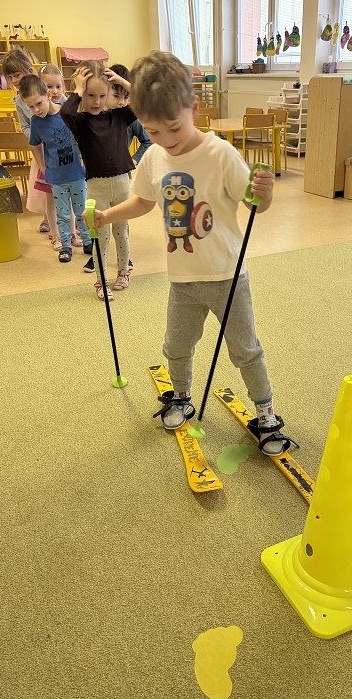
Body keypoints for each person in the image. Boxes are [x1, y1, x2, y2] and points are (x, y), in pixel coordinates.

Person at [87, 51, 297, 456]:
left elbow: (253, 203)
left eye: (173, 128)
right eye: (151, 131)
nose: (165, 140)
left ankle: (266, 412)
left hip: (227, 277)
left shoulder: (220, 155)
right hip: (182, 279)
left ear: (193, 107)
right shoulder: (152, 157)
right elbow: (143, 202)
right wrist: (107, 215)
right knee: (176, 345)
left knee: (244, 348)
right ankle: (181, 396)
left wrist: (264, 196)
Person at [60, 61, 136, 299]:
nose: (95, 101)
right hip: (97, 187)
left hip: (122, 183)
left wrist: (122, 82)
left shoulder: (119, 116)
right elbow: (65, 112)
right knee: (100, 236)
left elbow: (143, 101)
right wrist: (78, 90)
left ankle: (124, 270)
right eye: (90, 95)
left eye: (102, 95)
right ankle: (101, 280)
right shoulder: (80, 122)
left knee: (121, 232)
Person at [20, 74, 92, 263]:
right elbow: (35, 145)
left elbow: (83, 136)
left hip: (77, 173)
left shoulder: (67, 113)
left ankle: (87, 241)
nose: (36, 110)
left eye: (38, 103)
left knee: (81, 210)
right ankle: (65, 245)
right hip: (56, 177)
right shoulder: (36, 122)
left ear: (48, 94)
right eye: (30, 107)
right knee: (62, 213)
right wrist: (43, 167)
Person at [1, 51, 60, 247]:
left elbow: (62, 109)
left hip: (58, 145)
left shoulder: (45, 90)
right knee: (45, 186)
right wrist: (36, 135)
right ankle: (48, 218)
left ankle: (67, 221)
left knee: (62, 185)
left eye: (16, 75)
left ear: (28, 71)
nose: (13, 80)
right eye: (9, 77)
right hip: (40, 148)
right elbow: (25, 126)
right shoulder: (18, 102)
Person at [105, 62, 154, 274]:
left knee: (120, 222)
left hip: (121, 177)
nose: (123, 102)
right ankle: (98, 257)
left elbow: (148, 141)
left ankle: (124, 259)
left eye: (126, 97)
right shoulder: (95, 115)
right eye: (117, 96)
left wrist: (133, 160)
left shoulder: (129, 117)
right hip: (96, 178)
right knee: (99, 220)